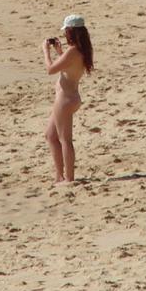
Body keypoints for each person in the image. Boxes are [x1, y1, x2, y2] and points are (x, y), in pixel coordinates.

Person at [42, 14, 94, 184]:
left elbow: (51, 69)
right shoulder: (81, 50)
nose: (65, 35)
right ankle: (59, 176)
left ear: (71, 32)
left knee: (65, 140)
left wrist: (46, 51)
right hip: (71, 97)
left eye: (67, 32)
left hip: (65, 99)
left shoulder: (73, 51)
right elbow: (69, 66)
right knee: (51, 135)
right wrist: (59, 52)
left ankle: (69, 178)